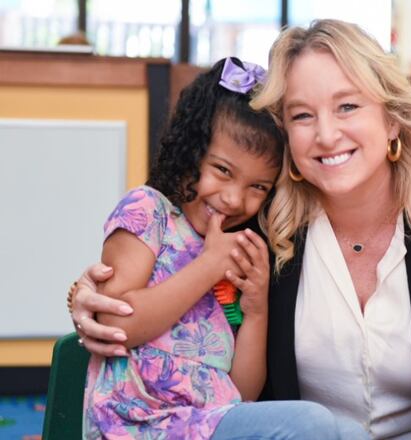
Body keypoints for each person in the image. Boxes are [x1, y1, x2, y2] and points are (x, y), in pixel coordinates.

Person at [69, 20, 411, 439]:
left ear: (391, 118)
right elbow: (166, 235)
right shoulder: (259, 226)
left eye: (347, 106)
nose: (327, 134)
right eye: (302, 116)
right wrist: (88, 294)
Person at [78, 57, 367, 440]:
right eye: (223, 171)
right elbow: (115, 324)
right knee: (312, 424)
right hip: (138, 424)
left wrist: (256, 309)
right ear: (191, 152)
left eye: (258, 187)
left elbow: (242, 393)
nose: (234, 199)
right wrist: (208, 266)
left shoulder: (239, 248)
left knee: (350, 433)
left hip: (208, 423)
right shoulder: (148, 212)